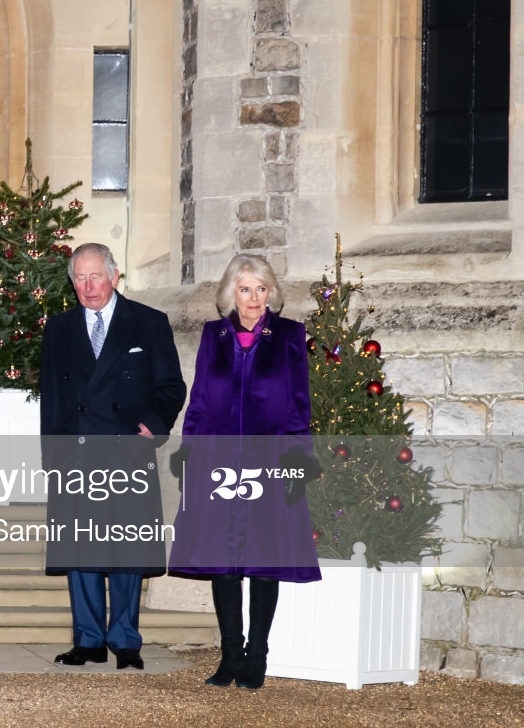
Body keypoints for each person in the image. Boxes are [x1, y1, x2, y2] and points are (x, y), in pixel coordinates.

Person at [168, 254, 320, 691]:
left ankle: (258, 655)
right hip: (216, 463)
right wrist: (189, 454)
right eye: (244, 289)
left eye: (260, 289)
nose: (253, 299)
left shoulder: (289, 335)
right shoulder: (213, 335)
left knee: (263, 558)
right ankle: (230, 654)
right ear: (230, 293)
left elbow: (298, 403)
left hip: (270, 462)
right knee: (223, 561)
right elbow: (199, 401)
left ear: (270, 292)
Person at [37, 243, 186, 670]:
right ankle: (87, 639)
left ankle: (125, 640)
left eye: (95, 277)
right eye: (80, 278)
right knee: (81, 552)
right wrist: (54, 458)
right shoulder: (59, 329)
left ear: (114, 276)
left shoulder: (149, 323)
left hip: (128, 453)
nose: (88, 287)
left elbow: (171, 387)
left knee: (127, 550)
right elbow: (52, 398)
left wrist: (153, 427)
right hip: (76, 456)